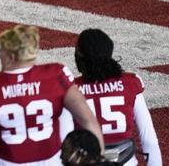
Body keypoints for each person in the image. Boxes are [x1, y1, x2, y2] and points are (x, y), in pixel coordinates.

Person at [0, 25, 103, 166]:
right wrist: (100, 160)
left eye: (1, 50)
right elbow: (89, 122)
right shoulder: (55, 76)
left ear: (10, 55)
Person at [60, 29, 162, 166]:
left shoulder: (71, 89)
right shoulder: (130, 83)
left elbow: (63, 140)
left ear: (80, 55)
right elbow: (149, 139)